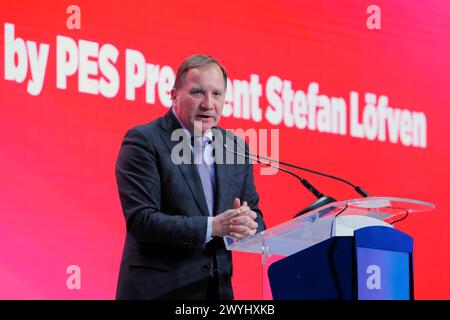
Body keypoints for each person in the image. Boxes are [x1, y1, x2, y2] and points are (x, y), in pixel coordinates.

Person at [115, 54, 266, 300]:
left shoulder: (235, 148)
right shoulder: (145, 141)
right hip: (159, 291)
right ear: (174, 95)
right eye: (197, 93)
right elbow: (142, 220)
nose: (209, 104)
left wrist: (247, 224)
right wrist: (213, 226)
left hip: (217, 292)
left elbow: (256, 217)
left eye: (217, 94)